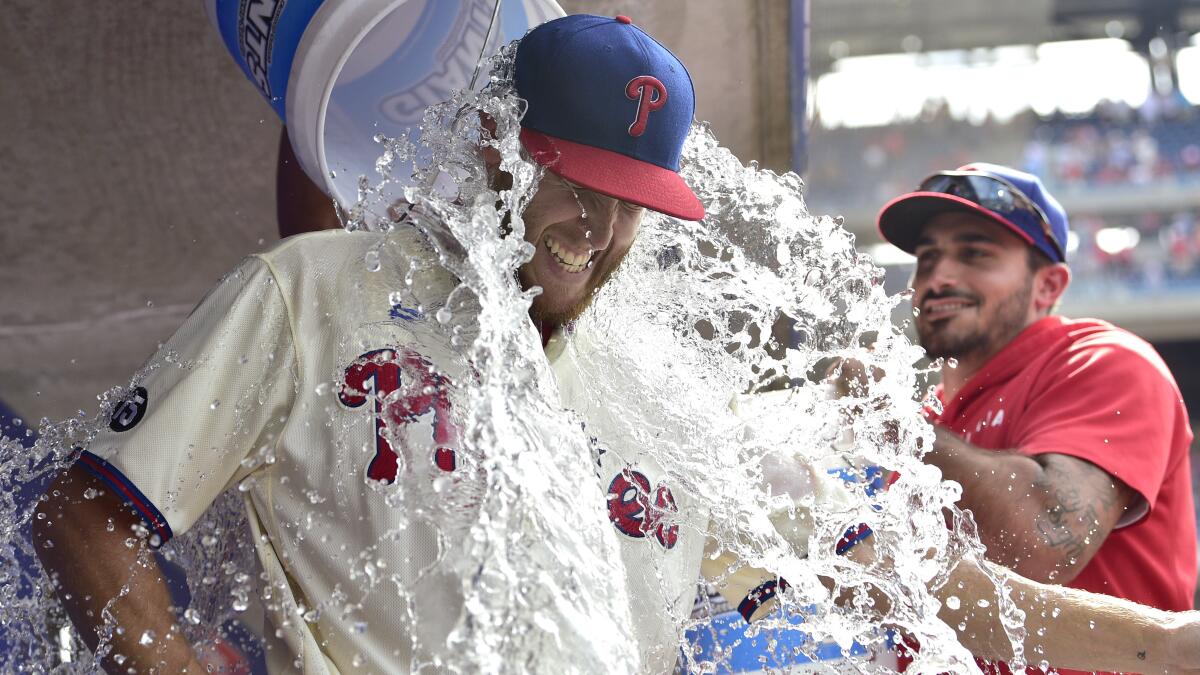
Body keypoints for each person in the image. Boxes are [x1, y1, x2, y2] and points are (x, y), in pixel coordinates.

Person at [30, 16, 1200, 675]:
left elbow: (927, 583)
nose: (598, 228)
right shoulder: (312, 294)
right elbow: (87, 509)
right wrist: (167, 653)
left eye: (633, 197)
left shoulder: (667, 390)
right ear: (495, 143)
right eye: (571, 180)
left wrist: (1167, 646)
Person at [877, 162, 1197, 673]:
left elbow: (1037, 546)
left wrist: (892, 423)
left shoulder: (1108, 362)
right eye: (927, 258)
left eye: (975, 254)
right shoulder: (928, 417)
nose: (939, 277)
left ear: (1048, 285)